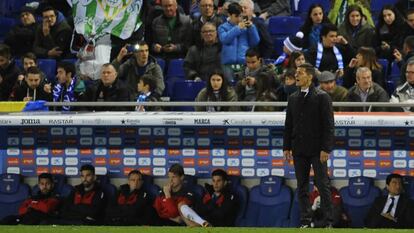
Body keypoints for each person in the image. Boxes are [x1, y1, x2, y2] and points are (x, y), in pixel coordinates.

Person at [283, 63, 334, 228]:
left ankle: (328, 222)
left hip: (318, 150)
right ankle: (305, 220)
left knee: (322, 184)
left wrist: (326, 148)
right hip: (299, 149)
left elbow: (329, 126)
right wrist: (286, 147)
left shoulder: (322, 97)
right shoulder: (292, 98)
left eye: (300, 73)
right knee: (302, 186)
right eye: (296, 72)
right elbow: (288, 125)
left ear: (310, 76)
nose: (296, 75)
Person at [218, 2, 260, 82]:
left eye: (240, 16)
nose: (239, 19)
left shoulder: (246, 27)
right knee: (230, 86)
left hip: (244, 63)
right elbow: (225, 39)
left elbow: (255, 42)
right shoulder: (222, 27)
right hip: (228, 64)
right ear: (229, 15)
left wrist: (252, 28)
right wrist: (237, 28)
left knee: (243, 86)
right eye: (236, 16)